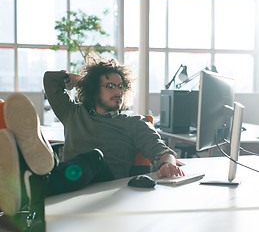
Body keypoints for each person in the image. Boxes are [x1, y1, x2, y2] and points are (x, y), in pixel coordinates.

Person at [0, 56, 184, 231]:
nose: (118, 91)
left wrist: (168, 164)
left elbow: (161, 151)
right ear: (94, 89)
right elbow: (50, 79)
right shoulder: (72, 112)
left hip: (106, 193)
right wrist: (85, 82)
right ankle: (29, 178)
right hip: (67, 189)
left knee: (94, 157)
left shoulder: (134, 122)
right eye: (110, 86)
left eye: (121, 86)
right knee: (52, 169)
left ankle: (28, 189)